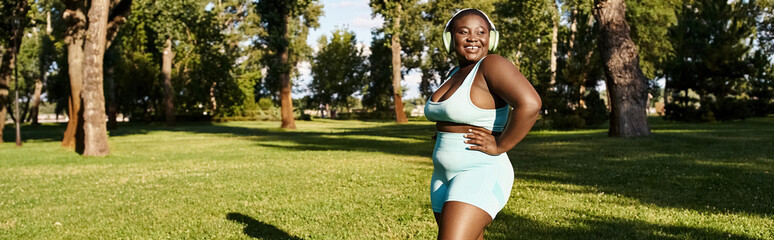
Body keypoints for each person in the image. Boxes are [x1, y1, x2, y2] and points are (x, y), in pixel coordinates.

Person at [424, 8, 542, 240]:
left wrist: (500, 145)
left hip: (479, 171)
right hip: (442, 174)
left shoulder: (492, 65)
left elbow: (530, 104)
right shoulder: (455, 72)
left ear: (492, 38)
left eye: (481, 32)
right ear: (449, 39)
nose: (473, 38)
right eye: (463, 32)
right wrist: (445, 133)